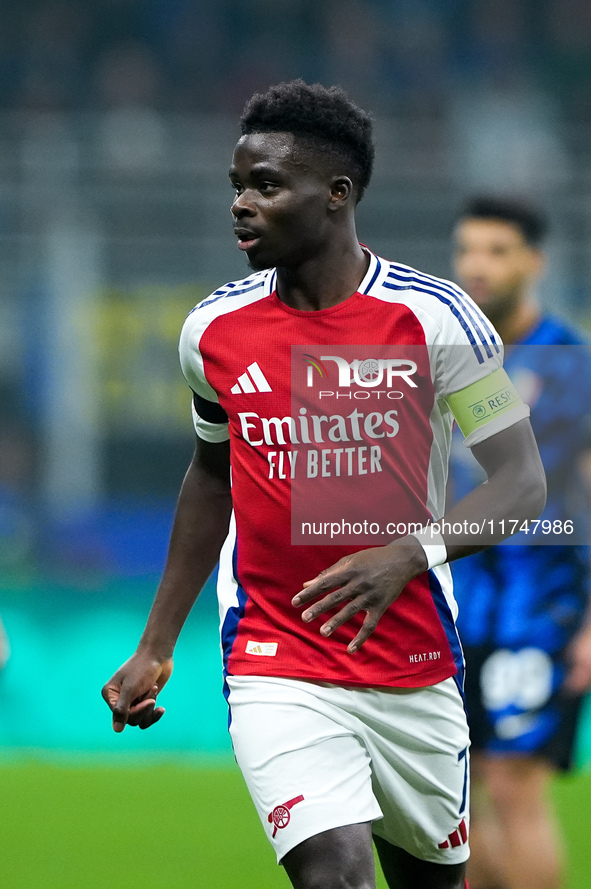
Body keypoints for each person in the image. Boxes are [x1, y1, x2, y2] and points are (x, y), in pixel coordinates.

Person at [102, 82, 545, 889]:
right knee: (332, 875)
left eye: (265, 186)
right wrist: (156, 642)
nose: (241, 204)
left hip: (411, 660)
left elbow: (520, 483)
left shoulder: (434, 319)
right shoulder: (214, 332)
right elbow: (211, 474)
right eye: (237, 185)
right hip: (277, 655)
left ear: (336, 195)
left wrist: (408, 554)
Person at [450, 195, 591, 889]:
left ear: (532, 262)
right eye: (468, 249)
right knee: (457, 790)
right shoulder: (449, 359)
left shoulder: (571, 366)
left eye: (496, 250)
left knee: (513, 784)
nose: (477, 265)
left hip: (540, 608)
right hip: (456, 604)